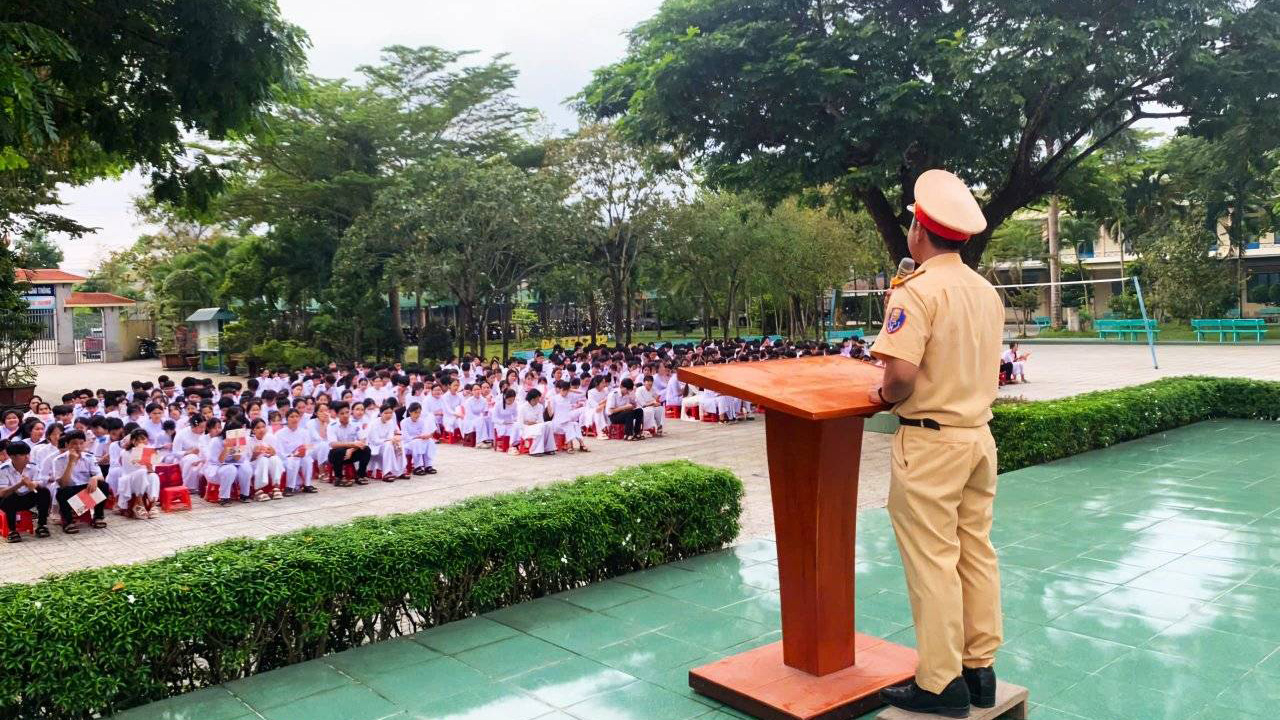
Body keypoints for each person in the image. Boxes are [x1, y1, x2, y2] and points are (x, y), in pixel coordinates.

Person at [869, 169, 1004, 716]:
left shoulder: (918, 290)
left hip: (929, 443)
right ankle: (979, 671)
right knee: (975, 552)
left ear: (919, 231)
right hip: (977, 437)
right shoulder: (984, 290)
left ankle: (939, 683)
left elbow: (899, 376)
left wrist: (883, 394)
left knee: (933, 561)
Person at [51, 430, 113, 533]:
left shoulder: (89, 457)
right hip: (69, 494)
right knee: (63, 491)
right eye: (74, 443)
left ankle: (98, 516)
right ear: (67, 445)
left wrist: (94, 478)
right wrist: (71, 462)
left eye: (81, 443)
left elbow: (100, 476)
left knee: (103, 485)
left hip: (85, 492)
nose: (78, 446)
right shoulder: (58, 460)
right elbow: (63, 484)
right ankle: (68, 522)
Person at [0, 441, 52, 541]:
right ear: (13, 457)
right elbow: (2, 493)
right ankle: (12, 531)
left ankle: (42, 525)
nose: (27, 457)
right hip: (8, 501)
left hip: (27, 498)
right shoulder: (3, 469)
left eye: (28, 454)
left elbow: (41, 481)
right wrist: (20, 484)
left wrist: (34, 484)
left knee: (44, 492)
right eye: (23, 455)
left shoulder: (32, 466)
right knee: (10, 498)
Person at [114, 428, 161, 519]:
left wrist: (149, 465)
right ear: (133, 441)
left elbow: (152, 470)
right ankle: (139, 503)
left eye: (144, 438)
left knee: (154, 476)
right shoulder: (125, 452)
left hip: (144, 478)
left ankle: (153, 504)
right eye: (139, 439)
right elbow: (128, 469)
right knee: (141, 472)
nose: (142, 441)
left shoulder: (151, 450)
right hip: (129, 479)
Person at [328, 402, 371, 486]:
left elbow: (362, 441)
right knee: (338, 451)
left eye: (347, 412)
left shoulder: (355, 423)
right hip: (337, 455)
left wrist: (351, 449)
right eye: (342, 413)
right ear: (337, 415)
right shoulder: (332, 426)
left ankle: (360, 475)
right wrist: (352, 445)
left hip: (351, 452)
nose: (345, 415)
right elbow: (333, 444)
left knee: (366, 449)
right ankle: (339, 478)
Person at [275, 409, 316, 494]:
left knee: (307, 460)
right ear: (287, 419)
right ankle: (289, 487)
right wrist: (292, 455)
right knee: (294, 461)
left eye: (297, 416)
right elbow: (279, 452)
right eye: (292, 417)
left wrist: (304, 453)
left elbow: (309, 447)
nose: (295, 419)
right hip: (286, 459)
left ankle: (307, 485)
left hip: (301, 457)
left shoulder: (304, 432)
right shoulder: (279, 434)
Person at [366, 404, 407, 481]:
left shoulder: (391, 422)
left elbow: (390, 437)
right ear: (381, 413)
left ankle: (400, 471)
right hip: (375, 447)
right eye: (386, 413)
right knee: (389, 444)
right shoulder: (374, 423)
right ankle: (386, 472)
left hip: (387, 445)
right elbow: (375, 441)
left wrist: (396, 441)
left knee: (400, 443)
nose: (389, 415)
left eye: (390, 413)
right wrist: (389, 441)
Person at [246, 419, 283, 499]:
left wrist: (273, 452)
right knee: (263, 460)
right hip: (254, 464)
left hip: (268, 462)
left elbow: (277, 453)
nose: (261, 430)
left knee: (275, 459)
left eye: (263, 427)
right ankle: (258, 489)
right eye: (258, 428)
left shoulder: (270, 437)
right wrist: (255, 455)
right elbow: (247, 461)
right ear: (253, 430)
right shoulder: (249, 441)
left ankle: (276, 487)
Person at [400, 403, 438, 475]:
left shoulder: (422, 421)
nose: (417, 414)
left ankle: (428, 465)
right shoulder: (404, 422)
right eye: (415, 412)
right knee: (416, 442)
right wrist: (418, 437)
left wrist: (426, 436)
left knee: (430, 441)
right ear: (410, 412)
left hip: (420, 441)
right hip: (408, 444)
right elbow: (406, 437)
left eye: (419, 412)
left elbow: (424, 433)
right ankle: (417, 466)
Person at [519, 389, 555, 456]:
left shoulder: (540, 406)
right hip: (526, 428)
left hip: (537, 425)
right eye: (537, 399)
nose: (538, 401)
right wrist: (528, 423)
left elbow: (541, 421)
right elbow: (520, 423)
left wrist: (533, 423)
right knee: (540, 427)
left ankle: (549, 449)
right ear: (532, 399)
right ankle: (535, 451)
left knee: (549, 424)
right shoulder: (522, 407)